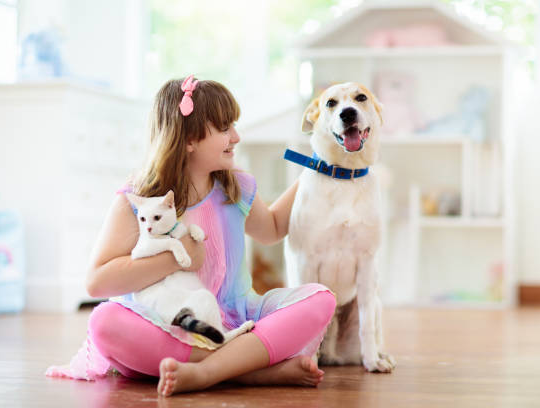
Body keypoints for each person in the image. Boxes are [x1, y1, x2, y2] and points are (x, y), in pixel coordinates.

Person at [46, 75, 336, 396]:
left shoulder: (236, 187)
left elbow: (272, 230)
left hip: (233, 317)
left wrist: (314, 168)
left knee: (321, 300)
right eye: (225, 128)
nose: (236, 137)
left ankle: (208, 371)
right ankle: (247, 371)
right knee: (105, 323)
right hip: (165, 323)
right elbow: (98, 282)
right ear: (189, 140)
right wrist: (176, 258)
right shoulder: (140, 198)